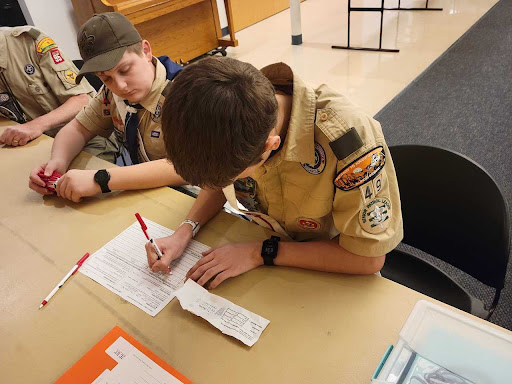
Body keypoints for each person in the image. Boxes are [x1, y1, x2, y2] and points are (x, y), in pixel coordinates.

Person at [146, 57, 403, 289]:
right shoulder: (229, 112)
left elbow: (368, 258)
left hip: (333, 267)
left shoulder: (349, 142)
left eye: (235, 177)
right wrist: (185, 231)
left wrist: (259, 252)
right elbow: (217, 178)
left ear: (272, 145)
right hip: (267, 251)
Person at [28, 12, 186, 201]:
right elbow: (78, 129)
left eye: (125, 70)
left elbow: (187, 167)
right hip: (148, 193)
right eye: (106, 78)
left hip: (194, 195)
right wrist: (58, 161)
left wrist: (100, 180)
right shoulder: (110, 94)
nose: (120, 86)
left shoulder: (187, 94)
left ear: (145, 51)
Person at [0, 25, 117, 160]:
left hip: (85, 135)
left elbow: (82, 100)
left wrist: (35, 126)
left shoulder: (29, 42)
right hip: (36, 143)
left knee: (75, 179)